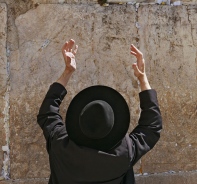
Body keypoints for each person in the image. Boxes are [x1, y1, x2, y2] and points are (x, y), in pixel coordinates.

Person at [37, 39, 162, 184]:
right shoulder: (124, 152)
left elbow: (47, 112)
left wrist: (67, 72)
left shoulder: (61, 143)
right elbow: (152, 126)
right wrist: (142, 78)